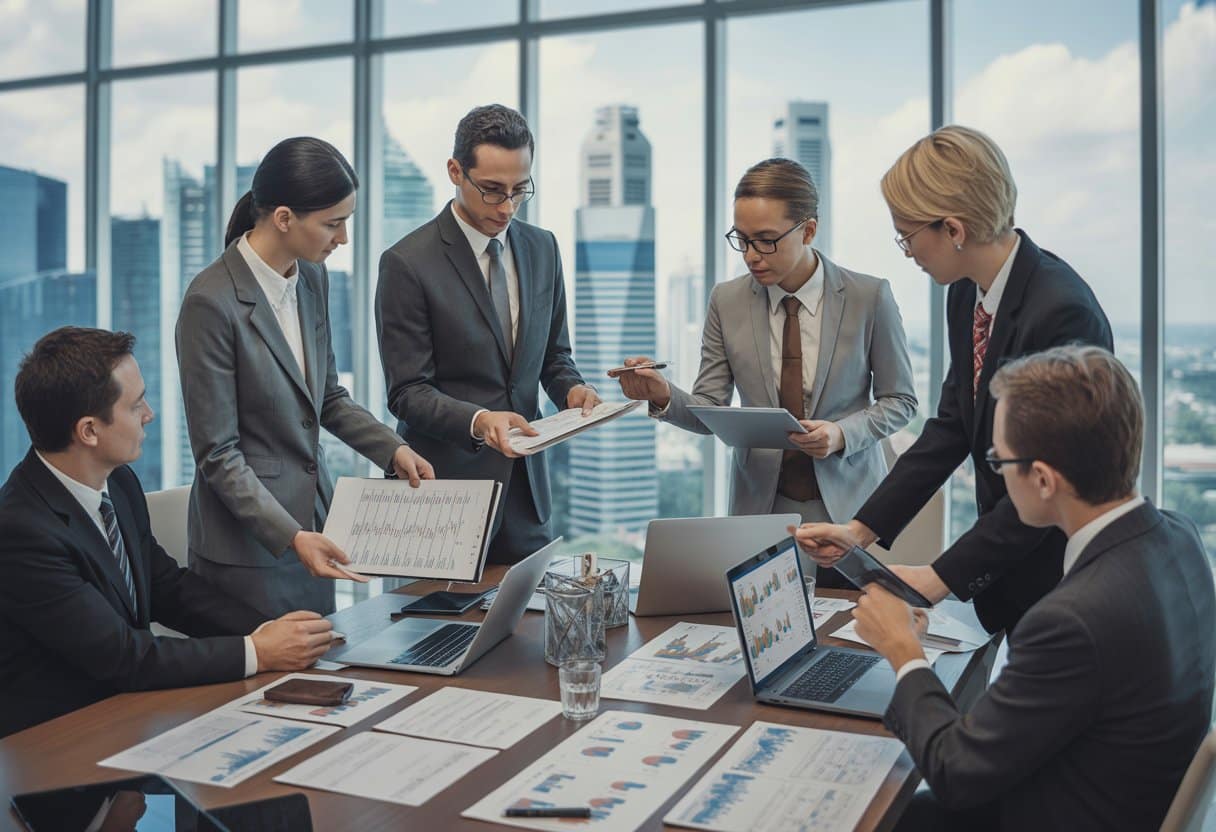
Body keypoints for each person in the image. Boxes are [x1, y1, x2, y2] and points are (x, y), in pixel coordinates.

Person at [851, 345, 1215, 831]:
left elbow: (955, 771)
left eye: (998, 460)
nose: (996, 472)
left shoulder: (1071, 620)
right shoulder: (1179, 536)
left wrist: (902, 651)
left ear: (1042, 479)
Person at [794, 125, 1112, 633]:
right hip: (1008, 571)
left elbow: (1050, 482)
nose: (907, 251)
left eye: (907, 234)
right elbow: (953, 427)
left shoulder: (1061, 312)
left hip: (1062, 577)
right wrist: (860, 530)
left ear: (954, 229)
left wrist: (938, 578)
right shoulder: (967, 293)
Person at [0, 328, 336, 738]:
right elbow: (123, 656)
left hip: (128, 711)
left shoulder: (118, 483)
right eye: (136, 403)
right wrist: (257, 652)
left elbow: (166, 587)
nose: (149, 414)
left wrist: (270, 630)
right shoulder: (20, 531)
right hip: (59, 741)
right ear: (89, 431)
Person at [616, 158, 916, 586]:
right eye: (743, 240)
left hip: (849, 508)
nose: (752, 256)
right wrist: (662, 393)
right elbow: (709, 409)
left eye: (767, 241)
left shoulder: (870, 297)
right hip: (760, 508)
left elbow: (901, 402)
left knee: (846, 638)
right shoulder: (727, 301)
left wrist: (840, 434)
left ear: (808, 231)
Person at [177, 137, 433, 617]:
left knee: (321, 676)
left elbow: (328, 397)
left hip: (316, 524)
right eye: (333, 224)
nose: (343, 239)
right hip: (249, 549)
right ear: (284, 218)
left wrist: (392, 449)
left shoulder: (311, 277)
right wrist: (292, 537)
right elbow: (218, 454)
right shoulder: (210, 303)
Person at [376, 104, 598, 565]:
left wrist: (572, 390)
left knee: (531, 631)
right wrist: (479, 420)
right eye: (493, 191)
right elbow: (406, 393)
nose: (508, 207)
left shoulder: (543, 248)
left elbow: (554, 357)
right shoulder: (407, 263)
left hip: (526, 498)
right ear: (455, 172)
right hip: (442, 495)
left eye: (521, 190)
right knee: (437, 636)